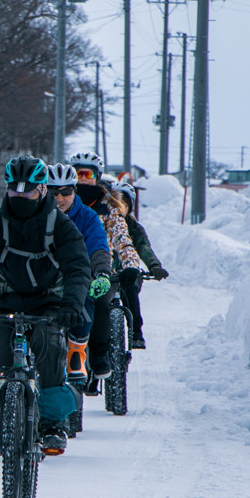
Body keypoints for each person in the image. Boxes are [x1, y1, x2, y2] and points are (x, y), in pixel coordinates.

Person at [0, 155, 91, 456]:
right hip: (5, 300)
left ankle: (53, 422)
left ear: (42, 190)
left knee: (51, 350)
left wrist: (72, 304)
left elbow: (78, 267)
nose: (21, 196)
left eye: (28, 191)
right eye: (14, 190)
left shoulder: (60, 225)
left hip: (49, 302)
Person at [68, 151, 146, 378]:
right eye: (77, 173)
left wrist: (132, 265)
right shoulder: (60, 201)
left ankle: (99, 354)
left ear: (97, 176)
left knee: (101, 301)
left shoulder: (109, 208)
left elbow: (123, 240)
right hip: (66, 271)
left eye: (87, 173)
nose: (82, 178)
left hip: (100, 271)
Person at [44, 163, 113, 382]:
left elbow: (99, 247)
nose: (60, 198)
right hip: (40, 278)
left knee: (86, 302)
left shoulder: (88, 216)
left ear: (75, 191)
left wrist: (102, 273)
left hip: (75, 277)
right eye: (54, 192)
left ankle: (76, 351)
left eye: (66, 192)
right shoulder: (35, 213)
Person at [110, 180, 169, 348]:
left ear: (130, 207)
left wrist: (154, 266)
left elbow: (143, 247)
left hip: (127, 273)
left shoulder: (134, 228)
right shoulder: (102, 222)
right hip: (104, 272)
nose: (119, 207)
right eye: (115, 203)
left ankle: (136, 332)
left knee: (130, 290)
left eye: (124, 204)